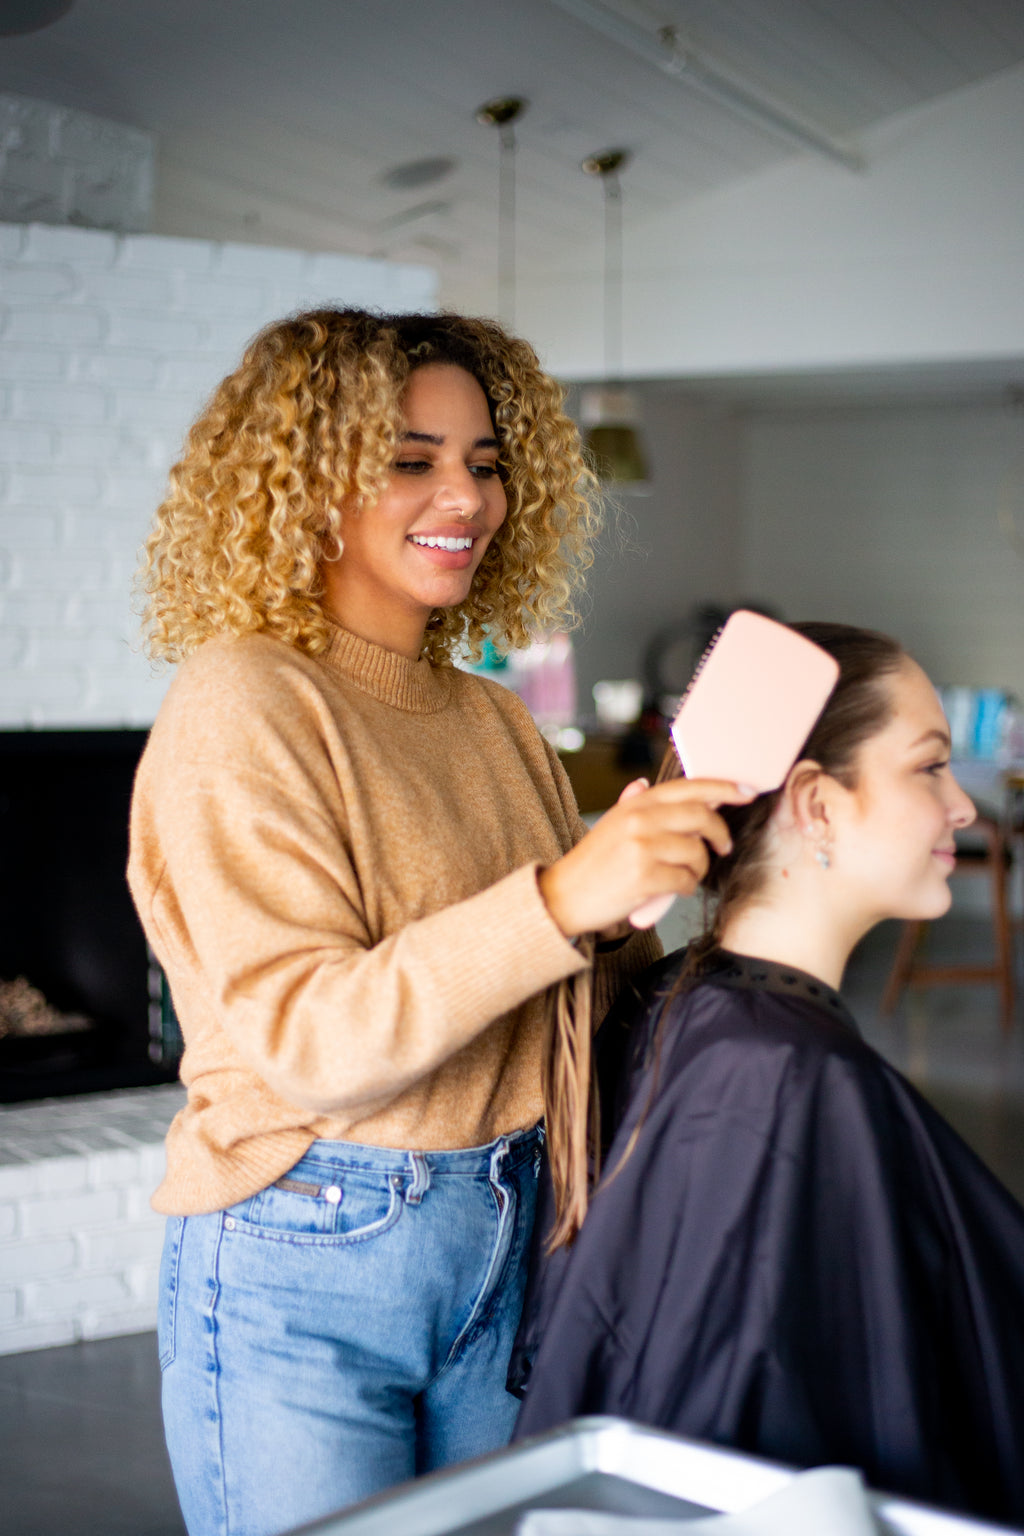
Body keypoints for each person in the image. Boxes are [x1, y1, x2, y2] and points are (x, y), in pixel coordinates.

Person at [128, 308, 751, 1536]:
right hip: (305, 1254)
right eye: (410, 458)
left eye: (484, 460)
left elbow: (556, 991)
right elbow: (314, 1041)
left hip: (507, 1232)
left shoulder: (490, 717)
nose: (463, 493)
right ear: (307, 480)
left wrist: (657, 900)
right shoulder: (243, 701)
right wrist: (564, 896)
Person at [511, 622, 1024, 1528]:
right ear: (818, 805)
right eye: (928, 767)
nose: (959, 809)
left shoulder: (689, 1005)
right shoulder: (783, 1077)